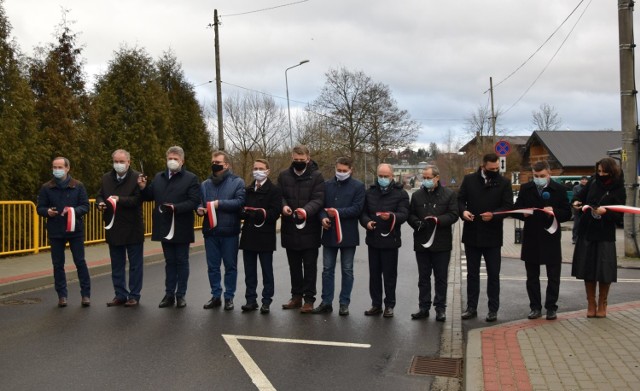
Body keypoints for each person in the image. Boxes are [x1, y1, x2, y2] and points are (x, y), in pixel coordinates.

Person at [139, 146, 200, 309]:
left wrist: (176, 207)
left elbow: (194, 201)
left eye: (175, 159)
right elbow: (148, 197)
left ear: (182, 161)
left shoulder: (191, 178)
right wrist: (143, 187)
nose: (172, 161)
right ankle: (169, 294)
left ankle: (181, 295)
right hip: (164, 226)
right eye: (170, 158)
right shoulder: (159, 177)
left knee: (181, 260)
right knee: (169, 262)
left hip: (181, 226)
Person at [458, 153, 513, 322]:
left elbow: (507, 206)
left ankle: (493, 309)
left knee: (493, 275)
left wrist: (494, 215)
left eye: (497, 168)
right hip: (472, 234)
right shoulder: (469, 180)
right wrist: (463, 211)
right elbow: (459, 200)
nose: (494, 171)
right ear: (483, 167)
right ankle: (471, 308)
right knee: (472, 275)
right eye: (491, 169)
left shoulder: (504, 182)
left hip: (493, 235)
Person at [513, 161, 571, 320]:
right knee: (532, 276)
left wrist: (554, 212)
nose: (538, 179)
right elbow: (516, 209)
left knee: (553, 276)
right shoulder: (526, 188)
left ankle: (551, 307)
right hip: (531, 237)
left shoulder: (558, 190)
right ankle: (535, 307)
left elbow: (567, 213)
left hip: (550, 237)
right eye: (536, 176)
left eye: (542, 176)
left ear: (549, 174)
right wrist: (522, 213)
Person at [572, 157, 626, 318]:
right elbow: (579, 197)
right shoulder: (593, 181)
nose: (601, 174)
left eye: (604, 171)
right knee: (587, 270)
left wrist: (606, 212)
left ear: (612, 171)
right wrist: (575, 203)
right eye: (599, 171)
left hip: (605, 234)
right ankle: (591, 303)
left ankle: (603, 302)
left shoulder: (618, 187)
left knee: (604, 271)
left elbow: (619, 215)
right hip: (587, 231)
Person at [311, 157, 365, 316]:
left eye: (344, 171)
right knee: (327, 269)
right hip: (329, 233)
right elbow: (320, 206)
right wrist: (323, 218)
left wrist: (335, 213)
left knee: (347, 270)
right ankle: (326, 301)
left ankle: (344, 302)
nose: (341, 173)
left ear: (351, 170)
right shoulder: (326, 185)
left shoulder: (358, 186)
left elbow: (357, 209)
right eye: (339, 170)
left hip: (348, 235)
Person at [37, 157, 91, 307]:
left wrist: (73, 211)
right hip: (56, 231)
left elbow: (86, 206)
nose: (57, 170)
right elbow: (39, 208)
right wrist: (47, 212)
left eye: (60, 167)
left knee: (80, 262)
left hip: (75, 230)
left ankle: (86, 294)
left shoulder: (78, 186)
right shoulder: (47, 187)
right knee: (58, 264)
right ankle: (62, 295)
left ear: (67, 168)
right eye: (55, 167)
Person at [407, 165, 458, 322]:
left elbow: (454, 215)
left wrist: (439, 220)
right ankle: (424, 307)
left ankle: (440, 308)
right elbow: (410, 214)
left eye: (429, 178)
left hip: (441, 243)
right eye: (425, 178)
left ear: (437, 178)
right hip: (422, 242)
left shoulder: (449, 194)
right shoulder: (417, 196)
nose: (426, 181)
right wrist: (416, 223)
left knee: (441, 277)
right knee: (423, 277)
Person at [278, 145, 325, 313]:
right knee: (294, 266)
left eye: (301, 159)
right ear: (292, 158)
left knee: (310, 266)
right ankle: (296, 296)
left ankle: (309, 299)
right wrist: (283, 207)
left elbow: (319, 199)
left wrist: (305, 211)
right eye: (295, 159)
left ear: (308, 158)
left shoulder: (317, 176)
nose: (298, 162)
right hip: (290, 228)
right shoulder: (284, 175)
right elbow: (280, 196)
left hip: (310, 228)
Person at [359, 163, 409, 318]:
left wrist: (392, 216)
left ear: (392, 176)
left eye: (386, 176)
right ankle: (376, 304)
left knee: (389, 275)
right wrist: (366, 222)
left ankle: (389, 305)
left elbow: (404, 214)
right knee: (374, 275)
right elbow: (363, 213)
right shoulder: (370, 192)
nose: (382, 179)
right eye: (380, 176)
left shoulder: (401, 194)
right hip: (373, 239)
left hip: (390, 240)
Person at [97, 149, 145, 307]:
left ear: (128, 162)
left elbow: (138, 200)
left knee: (135, 264)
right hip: (114, 227)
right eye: (116, 161)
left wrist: (119, 200)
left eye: (121, 162)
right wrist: (100, 203)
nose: (118, 164)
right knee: (117, 264)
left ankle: (134, 295)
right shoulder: (106, 178)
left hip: (132, 227)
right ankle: (120, 294)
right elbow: (100, 195)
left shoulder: (137, 178)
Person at [198, 151, 245, 311]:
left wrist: (219, 204)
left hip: (229, 232)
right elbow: (200, 202)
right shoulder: (205, 184)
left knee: (230, 266)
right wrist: (199, 209)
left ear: (226, 165)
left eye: (217, 161)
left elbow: (239, 202)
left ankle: (229, 297)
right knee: (213, 267)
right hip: (210, 232)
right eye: (213, 161)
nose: (214, 164)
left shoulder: (237, 182)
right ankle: (216, 295)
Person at [238, 159, 282, 314]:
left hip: (265, 236)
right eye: (255, 168)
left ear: (268, 171)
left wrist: (260, 214)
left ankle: (266, 301)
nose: (258, 171)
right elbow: (241, 207)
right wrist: (243, 212)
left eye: (261, 168)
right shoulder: (248, 189)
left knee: (266, 271)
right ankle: (251, 300)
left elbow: (275, 213)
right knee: (249, 271)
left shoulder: (274, 190)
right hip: (249, 235)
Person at [571, 176, 588, 244]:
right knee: (577, 224)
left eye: (585, 180)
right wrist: (578, 202)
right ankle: (575, 238)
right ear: (580, 181)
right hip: (577, 208)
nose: (584, 181)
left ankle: (584, 238)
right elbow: (575, 196)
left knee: (586, 224)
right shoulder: (576, 187)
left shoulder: (589, 187)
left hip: (586, 207)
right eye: (583, 180)